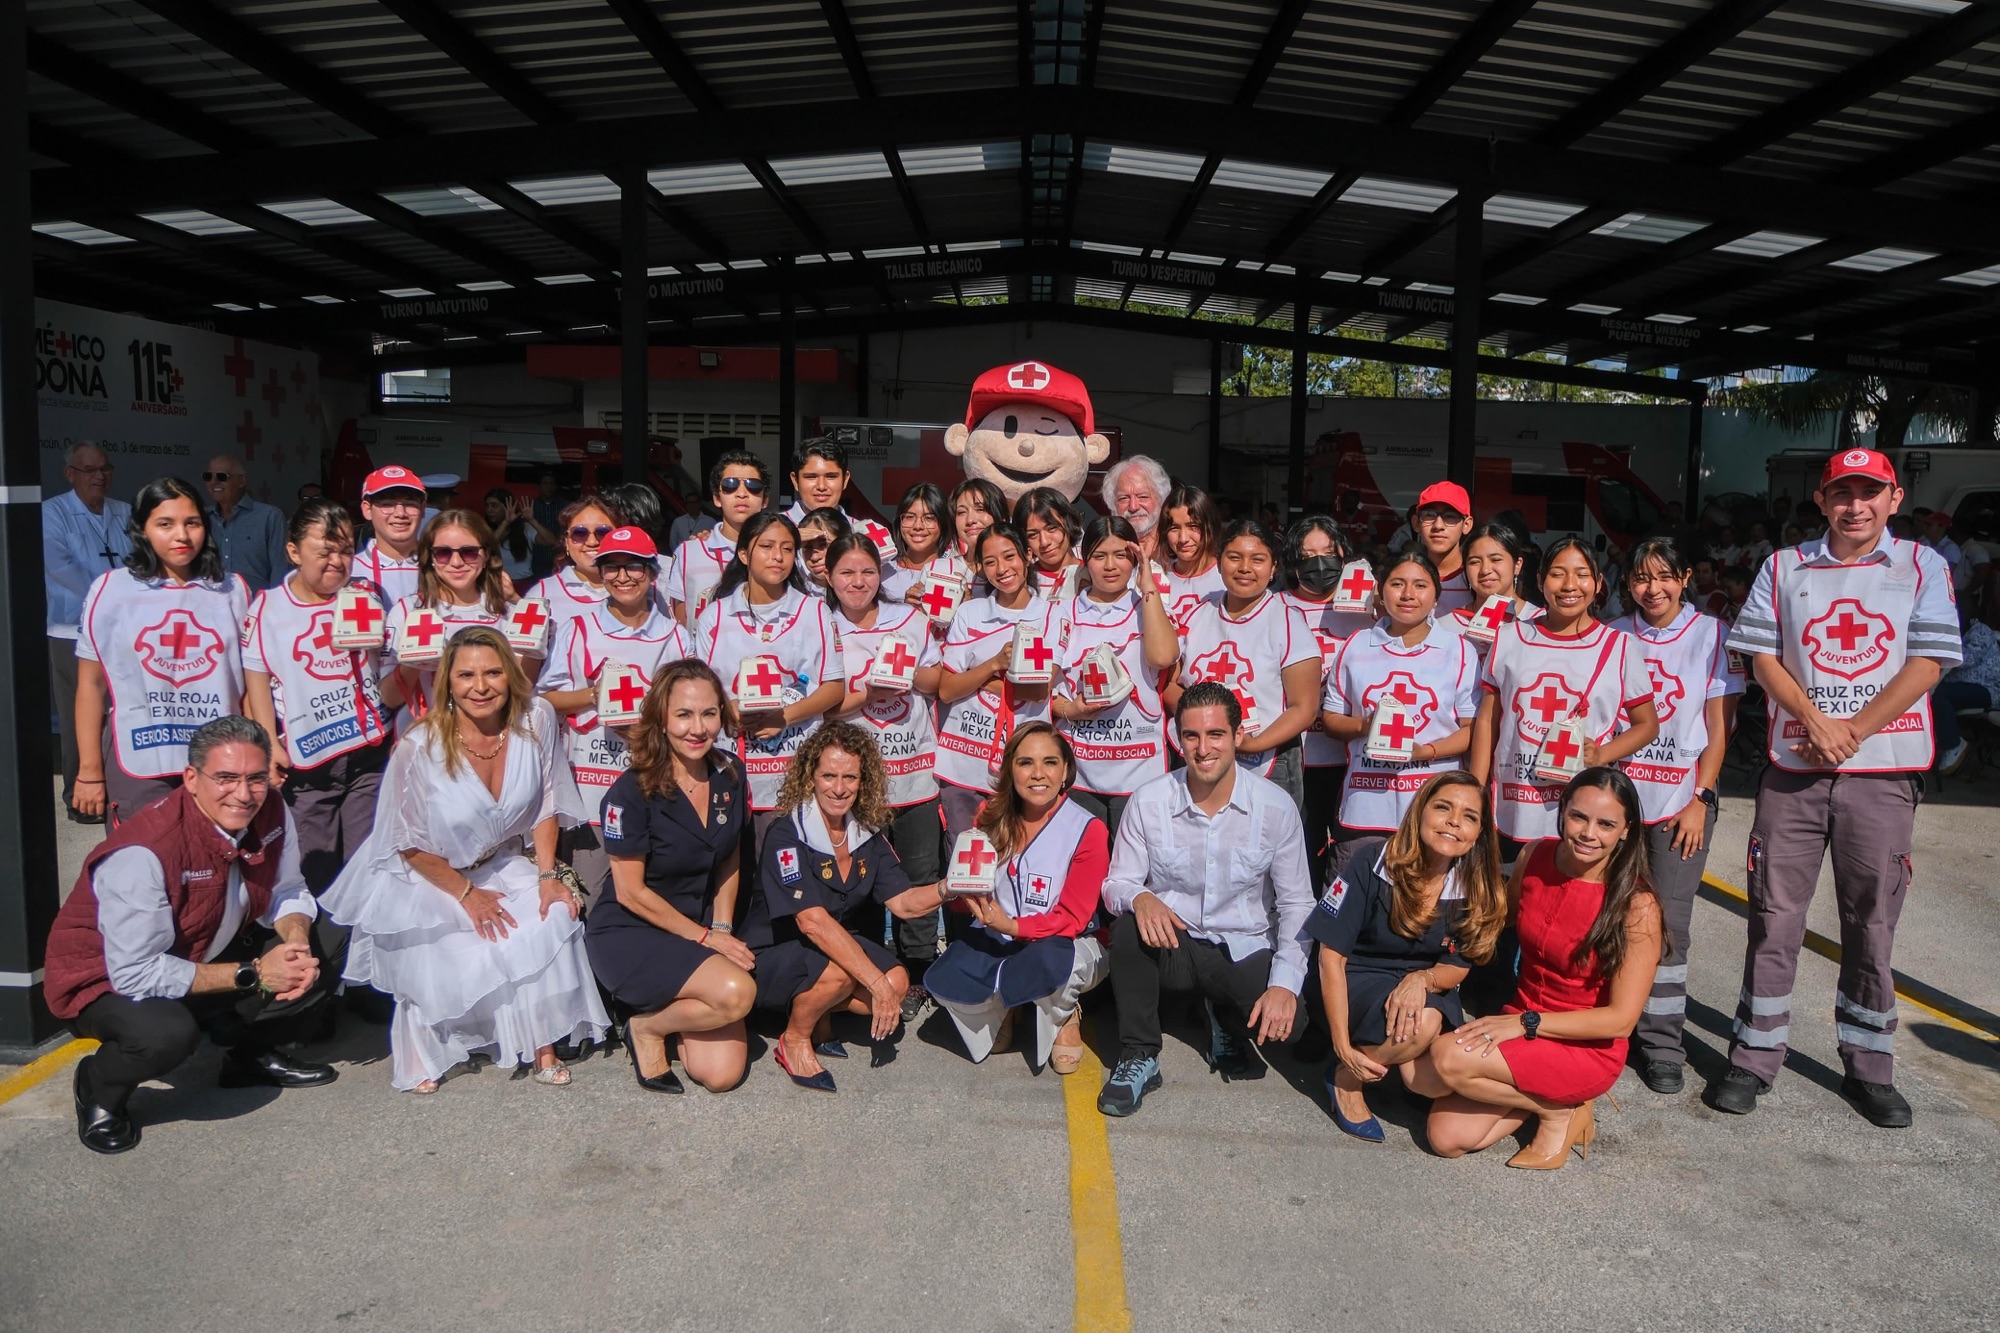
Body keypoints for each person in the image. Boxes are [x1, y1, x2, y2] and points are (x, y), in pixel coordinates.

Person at [1714, 449, 1961, 1128]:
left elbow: (1931, 659)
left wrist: (1851, 729)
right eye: (1841, 493)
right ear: (1821, 501)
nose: (1855, 505)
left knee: (1872, 921)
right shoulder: (1784, 566)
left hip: (1880, 772)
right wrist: (1816, 721)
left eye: (1869, 492)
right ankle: (1754, 1056)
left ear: (1894, 497)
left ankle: (1869, 1066)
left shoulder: (1923, 566)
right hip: (1795, 769)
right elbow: (1761, 656)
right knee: (1772, 915)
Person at [321, 628, 609, 1092]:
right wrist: (468, 895)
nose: (481, 686)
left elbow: (547, 802)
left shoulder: (536, 717)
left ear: (511, 675)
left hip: (499, 860)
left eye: (493, 672)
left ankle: (542, 1043)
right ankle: (426, 1052)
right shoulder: (420, 747)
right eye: (467, 675)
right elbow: (405, 842)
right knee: (438, 952)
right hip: (428, 874)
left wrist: (549, 874)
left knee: (552, 912)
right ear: (447, 683)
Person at [44, 716, 339, 1154]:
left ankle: (246, 1054)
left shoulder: (271, 809)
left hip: (201, 947)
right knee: (165, 1036)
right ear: (191, 779)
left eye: (255, 778)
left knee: (328, 941)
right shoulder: (143, 853)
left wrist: (294, 943)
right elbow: (135, 974)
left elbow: (288, 891)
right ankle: (100, 1088)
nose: (243, 794)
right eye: (225, 778)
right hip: (104, 979)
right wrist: (256, 973)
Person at [1407, 767, 1663, 1169]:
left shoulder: (1637, 906)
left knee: (1447, 1060)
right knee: (1445, 1136)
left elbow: (1619, 1021)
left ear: (1627, 830)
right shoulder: (1535, 854)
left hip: (1582, 1044)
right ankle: (1554, 1103)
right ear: (1562, 812)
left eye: (1606, 824)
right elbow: (1494, 924)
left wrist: (1525, 1023)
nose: (1588, 833)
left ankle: (1557, 1111)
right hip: (1522, 1022)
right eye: (1578, 817)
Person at [1096, 684, 1314, 1116]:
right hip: (1173, 943)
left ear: (1237, 737)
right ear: (1178, 739)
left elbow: (1297, 904)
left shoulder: (1276, 807)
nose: (1203, 748)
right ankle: (1139, 1053)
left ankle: (1224, 1019)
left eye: (1216, 734)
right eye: (1191, 736)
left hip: (1242, 946)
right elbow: (1116, 882)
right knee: (1126, 929)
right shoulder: (1150, 800)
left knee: (1292, 1027)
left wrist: (1284, 986)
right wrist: (1140, 896)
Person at [1607, 535, 1743, 1092]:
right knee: (1607, 916)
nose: (1652, 588)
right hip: (1615, 803)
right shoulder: (1614, 634)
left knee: (1668, 926)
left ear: (1686, 577)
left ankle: (1661, 1043)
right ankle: (1608, 1030)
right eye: (1641, 577)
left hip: (1678, 804)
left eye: (1665, 576)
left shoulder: (1712, 634)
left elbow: (1719, 726)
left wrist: (1701, 799)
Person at [589, 659, 756, 1094]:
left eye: (708, 713)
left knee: (721, 1075)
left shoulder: (731, 773)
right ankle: (645, 1029)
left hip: (698, 928)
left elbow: (729, 859)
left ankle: (659, 1017)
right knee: (737, 992)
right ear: (660, 720)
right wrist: (708, 941)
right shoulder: (631, 791)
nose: (697, 728)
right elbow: (630, 893)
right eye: (683, 714)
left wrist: (721, 927)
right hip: (633, 932)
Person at [752, 723, 948, 1091]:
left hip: (827, 946)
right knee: (847, 974)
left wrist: (949, 888)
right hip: (774, 949)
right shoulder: (787, 832)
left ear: (864, 780)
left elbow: (904, 904)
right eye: (828, 775)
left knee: (897, 981)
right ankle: (794, 1039)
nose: (839, 788)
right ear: (810, 776)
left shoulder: (866, 832)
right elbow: (811, 922)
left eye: (850, 777)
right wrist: (874, 983)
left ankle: (819, 1009)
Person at [1312, 771, 1505, 1141]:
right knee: (1425, 1024)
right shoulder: (1373, 860)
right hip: (1355, 976)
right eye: (1443, 807)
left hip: (1426, 983)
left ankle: (1388, 1060)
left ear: (1479, 832)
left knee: (1427, 1081)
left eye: (1469, 816)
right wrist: (1340, 1043)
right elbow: (1330, 958)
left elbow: (1457, 965)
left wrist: (1420, 980)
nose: (1453, 822)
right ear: (1420, 812)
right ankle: (1345, 1077)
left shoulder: (1476, 883)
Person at [925, 723, 1110, 1073]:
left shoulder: (1087, 828)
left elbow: (1073, 917)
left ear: (1066, 770)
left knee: (1056, 962)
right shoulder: (991, 817)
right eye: (1026, 762)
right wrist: (961, 893)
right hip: (1002, 934)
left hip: (1070, 940)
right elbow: (970, 885)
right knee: (951, 972)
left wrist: (1010, 923)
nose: (1038, 774)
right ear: (1010, 768)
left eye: (1050, 762)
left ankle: (1065, 1013)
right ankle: (1004, 1007)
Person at [73, 477, 252, 824]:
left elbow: (249, 683)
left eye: (192, 523)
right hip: (140, 755)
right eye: (165, 524)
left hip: (219, 759)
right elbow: (90, 686)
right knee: (142, 865)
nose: (181, 536)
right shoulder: (111, 590)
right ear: (142, 528)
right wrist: (90, 772)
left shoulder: (233, 590)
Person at [241, 499, 394, 893]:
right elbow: (256, 679)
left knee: (366, 866)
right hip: (308, 765)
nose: (337, 562)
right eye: (325, 551)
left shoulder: (365, 595)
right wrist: (268, 742)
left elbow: (390, 665)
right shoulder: (268, 608)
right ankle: (318, 949)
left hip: (369, 754)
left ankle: (359, 949)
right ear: (294, 551)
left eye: (345, 551)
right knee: (315, 868)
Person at [1468, 536, 1659, 848]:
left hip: (1584, 809)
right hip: (1514, 804)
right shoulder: (1509, 637)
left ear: (1598, 583)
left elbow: (1648, 724)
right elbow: (1489, 719)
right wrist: (1475, 790)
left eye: (1582, 574)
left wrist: (1602, 753)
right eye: (1558, 574)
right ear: (1541, 580)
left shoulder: (1619, 646)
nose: (1570, 585)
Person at [538, 526, 692, 904]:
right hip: (588, 784)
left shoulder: (677, 637)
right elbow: (545, 699)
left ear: (653, 572)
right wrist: (593, 694)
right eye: (612, 567)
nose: (623, 577)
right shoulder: (579, 628)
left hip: (654, 782)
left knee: (652, 896)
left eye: (634, 567)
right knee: (590, 896)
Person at [827, 532, 947, 1017]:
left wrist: (908, 673)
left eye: (868, 572)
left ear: (882, 575)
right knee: (860, 876)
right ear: (829, 577)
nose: (858, 582)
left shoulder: (910, 619)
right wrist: (871, 691)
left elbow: (936, 682)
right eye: (847, 573)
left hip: (915, 772)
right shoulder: (823, 625)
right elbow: (824, 705)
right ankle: (871, 967)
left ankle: (919, 969)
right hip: (854, 783)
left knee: (919, 872)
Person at [1322, 552, 1481, 873]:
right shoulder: (1356, 645)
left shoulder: (1459, 650)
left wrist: (1425, 751)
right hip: (1365, 809)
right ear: (1380, 591)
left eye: (1420, 585)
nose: (1408, 594)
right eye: (1397, 584)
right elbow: (1331, 719)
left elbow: (1471, 731)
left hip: (1433, 811)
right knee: (1355, 911)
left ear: (1436, 596)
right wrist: (1364, 725)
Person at [689, 512, 844, 830]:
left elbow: (833, 687)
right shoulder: (715, 616)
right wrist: (724, 709)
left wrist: (784, 717)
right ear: (744, 554)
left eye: (788, 549)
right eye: (767, 546)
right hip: (728, 772)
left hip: (794, 773)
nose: (778, 557)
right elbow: (699, 690)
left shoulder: (814, 611)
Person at [1172, 518, 1322, 807]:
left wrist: (1254, 743)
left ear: (1274, 567)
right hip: (1198, 756)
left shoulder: (1288, 622)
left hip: (1268, 759)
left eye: (1257, 559)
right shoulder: (1196, 614)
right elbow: (1169, 683)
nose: (1244, 568)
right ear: (1218, 562)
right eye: (1234, 557)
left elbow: (1304, 707)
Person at [935, 523, 1066, 843]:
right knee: (965, 867)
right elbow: (947, 689)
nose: (1002, 569)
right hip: (963, 762)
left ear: (1028, 556)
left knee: (1019, 861)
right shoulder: (969, 613)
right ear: (980, 567)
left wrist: (979, 680)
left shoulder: (1051, 615)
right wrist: (994, 664)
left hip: (1022, 767)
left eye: (1010, 556)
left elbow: (1038, 689)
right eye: (990, 561)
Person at [1052, 516, 1180, 837]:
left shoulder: (1149, 609)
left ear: (1134, 559)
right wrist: (1072, 710)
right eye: (1099, 556)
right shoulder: (1060, 614)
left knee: (1135, 872)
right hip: (1080, 769)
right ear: (1085, 560)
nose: (1111, 566)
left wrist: (1147, 582)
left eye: (1121, 555)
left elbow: (1163, 657)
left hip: (1140, 768)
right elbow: (1040, 690)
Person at [1282, 516, 1375, 884]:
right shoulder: (1277, 607)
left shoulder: (1367, 608)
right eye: (1308, 555)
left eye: (1328, 553)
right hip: (1296, 757)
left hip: (1349, 757)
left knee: (1348, 857)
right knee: (1300, 855)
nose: (1319, 564)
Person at [44, 442, 133, 823]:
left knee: (123, 708)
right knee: (77, 709)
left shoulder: (124, 511)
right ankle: (77, 796)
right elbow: (59, 565)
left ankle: (119, 788)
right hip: (71, 628)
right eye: (89, 469)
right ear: (70, 474)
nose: (100, 476)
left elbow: (138, 560)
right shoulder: (52, 513)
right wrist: (109, 595)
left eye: (105, 468)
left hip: (123, 627)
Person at [383, 509, 528, 731]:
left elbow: (525, 689)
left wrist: (518, 602)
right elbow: (389, 698)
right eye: (443, 553)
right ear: (429, 557)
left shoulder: (509, 612)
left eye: (469, 552)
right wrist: (413, 662)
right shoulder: (407, 611)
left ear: (486, 554)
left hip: (494, 739)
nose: (456, 562)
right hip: (428, 740)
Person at [665, 450, 769, 625]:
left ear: (765, 500)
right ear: (716, 498)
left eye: (753, 486)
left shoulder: (781, 553)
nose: (741, 493)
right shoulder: (689, 552)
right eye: (730, 485)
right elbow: (679, 617)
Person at [527, 493, 619, 648]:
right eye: (580, 533)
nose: (592, 542)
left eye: (603, 532)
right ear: (566, 542)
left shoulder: (644, 591)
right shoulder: (541, 594)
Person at [784, 436, 897, 562]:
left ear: (845, 479)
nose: (821, 486)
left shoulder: (864, 531)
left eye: (831, 476)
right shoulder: (772, 529)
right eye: (811, 477)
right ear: (795, 480)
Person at [1451, 521, 1541, 662]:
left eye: (1496, 559)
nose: (1485, 570)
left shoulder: (1540, 622)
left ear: (1517, 565)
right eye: (1475, 562)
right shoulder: (1447, 626)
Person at [202, 455, 289, 591]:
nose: (213, 482)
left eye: (221, 477)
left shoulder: (269, 517)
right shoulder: (202, 519)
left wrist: (273, 608)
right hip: (213, 607)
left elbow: (280, 570)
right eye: (208, 477)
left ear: (241, 481)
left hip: (256, 608)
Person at [1932, 607, 1998, 775]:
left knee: (1940, 696)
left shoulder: (1980, 630)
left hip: (1986, 689)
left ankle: (1954, 744)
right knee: (1928, 694)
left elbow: (1966, 659)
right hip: (1962, 687)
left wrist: (1939, 654)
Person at [880, 482, 965, 610]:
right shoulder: (880, 572)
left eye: (929, 518)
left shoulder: (956, 574)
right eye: (909, 517)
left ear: (943, 523)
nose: (918, 526)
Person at [355, 465, 428, 607]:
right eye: (387, 504)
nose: (400, 513)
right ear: (367, 509)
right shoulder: (348, 569)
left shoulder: (441, 566)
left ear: (423, 509)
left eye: (410, 503)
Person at [1161, 483, 1226, 625]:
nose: (1183, 538)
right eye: (1174, 528)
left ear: (1210, 526)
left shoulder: (1228, 577)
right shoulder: (1157, 578)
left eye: (1193, 526)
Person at [1408, 481, 1476, 614]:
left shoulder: (1478, 579)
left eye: (1450, 516)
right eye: (1429, 515)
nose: (1438, 526)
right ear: (1416, 523)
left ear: (1466, 525)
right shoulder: (1403, 577)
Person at [1017, 486, 1083, 600]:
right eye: (1033, 535)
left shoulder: (1094, 574)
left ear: (1069, 522)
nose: (1044, 542)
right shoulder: (1020, 583)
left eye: (1052, 528)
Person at [1102, 454, 1170, 564]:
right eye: (1124, 498)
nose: (1133, 507)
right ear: (1112, 504)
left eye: (1143, 497)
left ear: (1161, 500)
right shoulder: (1103, 552)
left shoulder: (1177, 549)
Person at [947, 476, 1009, 596]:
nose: (970, 520)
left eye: (980, 509)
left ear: (1002, 517)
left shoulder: (1018, 571)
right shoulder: (937, 570)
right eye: (961, 512)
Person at [485, 488, 538, 586]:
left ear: (507, 507)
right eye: (487, 506)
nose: (489, 510)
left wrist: (531, 520)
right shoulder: (485, 529)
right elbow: (489, 545)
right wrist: (506, 522)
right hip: (497, 585)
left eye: (494, 506)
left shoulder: (525, 528)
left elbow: (551, 541)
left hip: (524, 584)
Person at [795, 505, 851, 595]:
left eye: (824, 545)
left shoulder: (863, 588)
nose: (814, 557)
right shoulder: (793, 592)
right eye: (807, 547)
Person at [530, 470, 565, 580]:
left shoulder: (565, 505)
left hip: (559, 555)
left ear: (555, 486)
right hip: (538, 556)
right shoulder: (532, 506)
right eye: (545, 483)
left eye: (551, 483)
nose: (548, 487)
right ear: (540, 486)